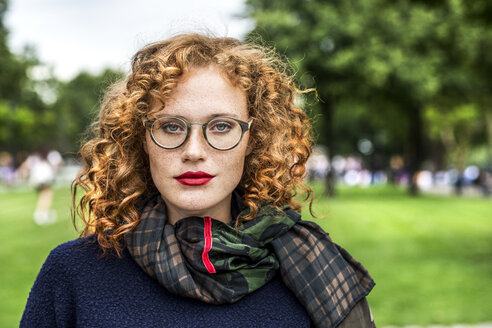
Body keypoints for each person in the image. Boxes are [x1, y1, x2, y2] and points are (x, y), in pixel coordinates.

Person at [21, 33, 375, 327]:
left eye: (221, 126)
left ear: (253, 139)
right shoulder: (75, 274)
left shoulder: (313, 272)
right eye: (171, 126)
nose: (193, 150)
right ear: (140, 139)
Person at [18, 146, 63, 225]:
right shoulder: (51, 155)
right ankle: (43, 214)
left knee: (42, 195)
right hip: (45, 177)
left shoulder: (34, 157)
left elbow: (25, 166)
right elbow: (59, 163)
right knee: (47, 195)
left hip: (36, 178)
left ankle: (41, 212)